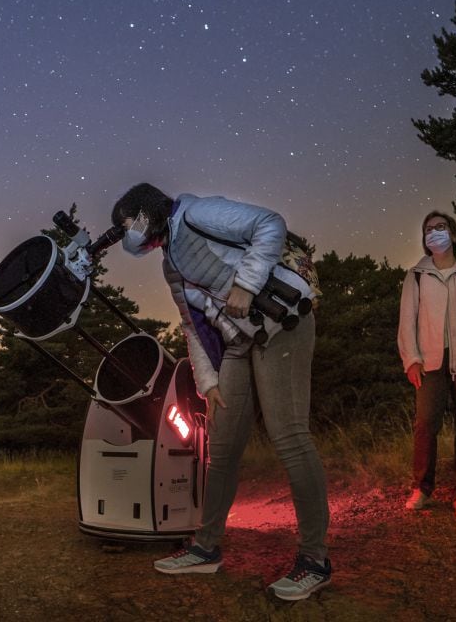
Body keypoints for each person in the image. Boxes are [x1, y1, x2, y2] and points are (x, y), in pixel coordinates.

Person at [111, 183, 331, 602]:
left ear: (148, 211)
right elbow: (192, 324)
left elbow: (270, 224)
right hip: (237, 342)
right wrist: (208, 383)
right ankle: (205, 547)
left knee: (290, 438)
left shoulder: (196, 212)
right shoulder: (169, 263)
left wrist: (246, 285)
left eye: (131, 223)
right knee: (222, 448)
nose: (130, 234)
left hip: (281, 324)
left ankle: (315, 561)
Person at [397, 212, 456, 517]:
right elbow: (407, 321)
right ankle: (422, 488)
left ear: (453, 233)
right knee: (425, 425)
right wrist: (412, 359)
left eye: (441, 227)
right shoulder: (416, 275)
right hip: (430, 360)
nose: (435, 233)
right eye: (429, 229)